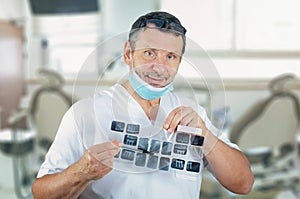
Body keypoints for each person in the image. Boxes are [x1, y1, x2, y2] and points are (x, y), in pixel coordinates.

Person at [32, 11, 254, 199]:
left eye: (170, 57)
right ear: (128, 54)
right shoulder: (85, 113)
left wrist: (205, 135)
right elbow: (40, 192)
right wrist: (81, 172)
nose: (160, 67)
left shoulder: (193, 115)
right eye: (150, 53)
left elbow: (243, 184)